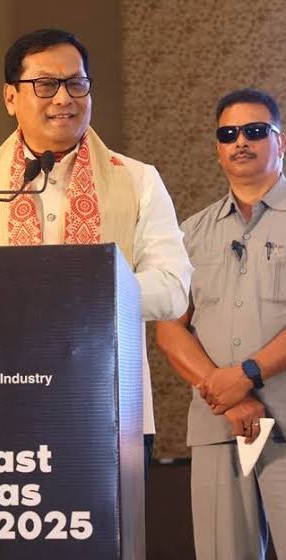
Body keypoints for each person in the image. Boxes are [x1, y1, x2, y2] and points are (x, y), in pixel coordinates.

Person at [0, 28, 192, 470]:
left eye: (76, 83)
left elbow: (173, 289)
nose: (65, 98)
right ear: (10, 97)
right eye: (46, 85)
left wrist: (82, 290)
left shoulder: (138, 180)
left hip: (109, 411)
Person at [156, 88, 286, 559]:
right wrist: (226, 394)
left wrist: (247, 375)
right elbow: (169, 328)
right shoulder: (190, 233)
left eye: (255, 130)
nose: (241, 142)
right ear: (217, 147)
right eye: (229, 134)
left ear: (281, 141)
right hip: (220, 425)